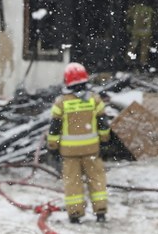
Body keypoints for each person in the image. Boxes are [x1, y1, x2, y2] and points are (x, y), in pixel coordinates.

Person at [47, 62, 111, 224]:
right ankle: (100, 211)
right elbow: (103, 123)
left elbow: (54, 127)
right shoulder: (95, 100)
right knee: (96, 179)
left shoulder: (61, 102)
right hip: (91, 149)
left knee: (72, 182)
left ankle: (75, 213)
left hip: (69, 152)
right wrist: (104, 141)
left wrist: (53, 146)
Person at [126, 0, 155, 69]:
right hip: (143, 32)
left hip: (141, 32)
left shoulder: (137, 8)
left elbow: (129, 18)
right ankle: (140, 64)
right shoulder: (141, 8)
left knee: (138, 48)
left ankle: (132, 63)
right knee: (141, 49)